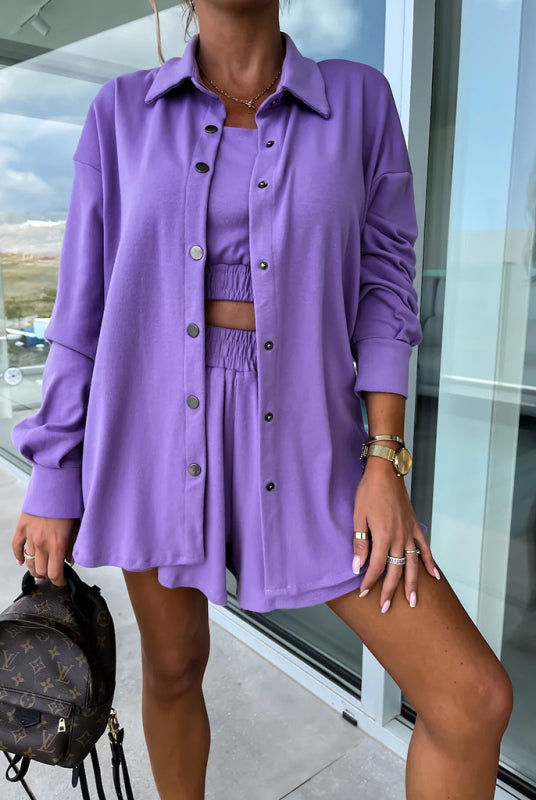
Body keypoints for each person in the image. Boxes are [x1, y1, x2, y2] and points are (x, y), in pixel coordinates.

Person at [10, 1, 513, 798]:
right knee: (174, 668)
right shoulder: (121, 114)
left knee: (472, 699)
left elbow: (387, 285)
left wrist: (384, 458)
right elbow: (83, 310)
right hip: (152, 433)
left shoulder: (360, 102)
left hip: (311, 438)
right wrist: (54, 473)